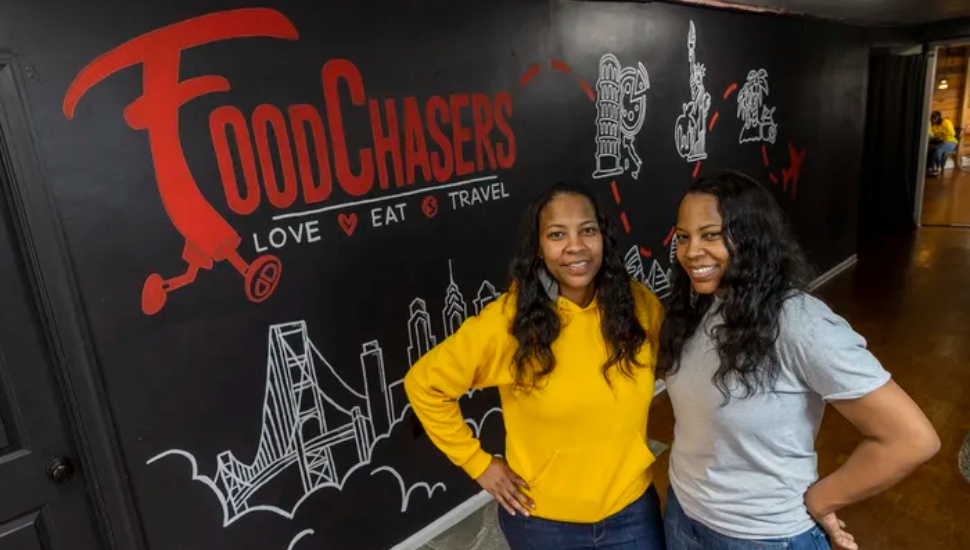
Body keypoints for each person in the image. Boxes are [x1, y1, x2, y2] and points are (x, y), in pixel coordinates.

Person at [658, 170, 940, 550]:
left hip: (762, 537)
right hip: (684, 517)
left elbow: (911, 439)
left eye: (711, 234)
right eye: (683, 237)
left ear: (752, 237)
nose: (691, 251)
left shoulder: (799, 322)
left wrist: (822, 499)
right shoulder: (701, 306)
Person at [404, 182, 666, 549]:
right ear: (539, 247)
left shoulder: (639, 305)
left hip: (632, 514)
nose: (576, 246)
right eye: (557, 234)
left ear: (603, 237)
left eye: (587, 230)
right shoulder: (510, 322)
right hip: (543, 525)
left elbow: (678, 365)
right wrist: (478, 464)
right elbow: (424, 384)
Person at [928, 110, 959, 176]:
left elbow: (953, 133)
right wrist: (929, 125)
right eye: (932, 119)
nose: (933, 120)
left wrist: (942, 134)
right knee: (934, 149)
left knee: (938, 150)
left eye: (935, 118)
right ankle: (931, 167)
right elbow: (930, 133)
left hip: (951, 142)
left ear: (938, 118)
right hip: (943, 142)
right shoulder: (934, 126)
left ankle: (939, 168)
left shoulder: (946, 122)